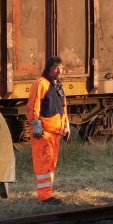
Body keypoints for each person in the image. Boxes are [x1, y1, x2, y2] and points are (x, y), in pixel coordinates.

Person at [26, 56, 70, 204]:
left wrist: (66, 126)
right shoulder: (41, 84)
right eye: (55, 67)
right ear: (49, 69)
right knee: (44, 164)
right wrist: (36, 127)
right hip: (44, 133)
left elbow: (63, 108)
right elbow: (33, 107)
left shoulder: (58, 85)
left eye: (60, 67)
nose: (59, 70)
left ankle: (47, 193)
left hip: (55, 132)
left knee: (51, 164)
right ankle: (45, 196)